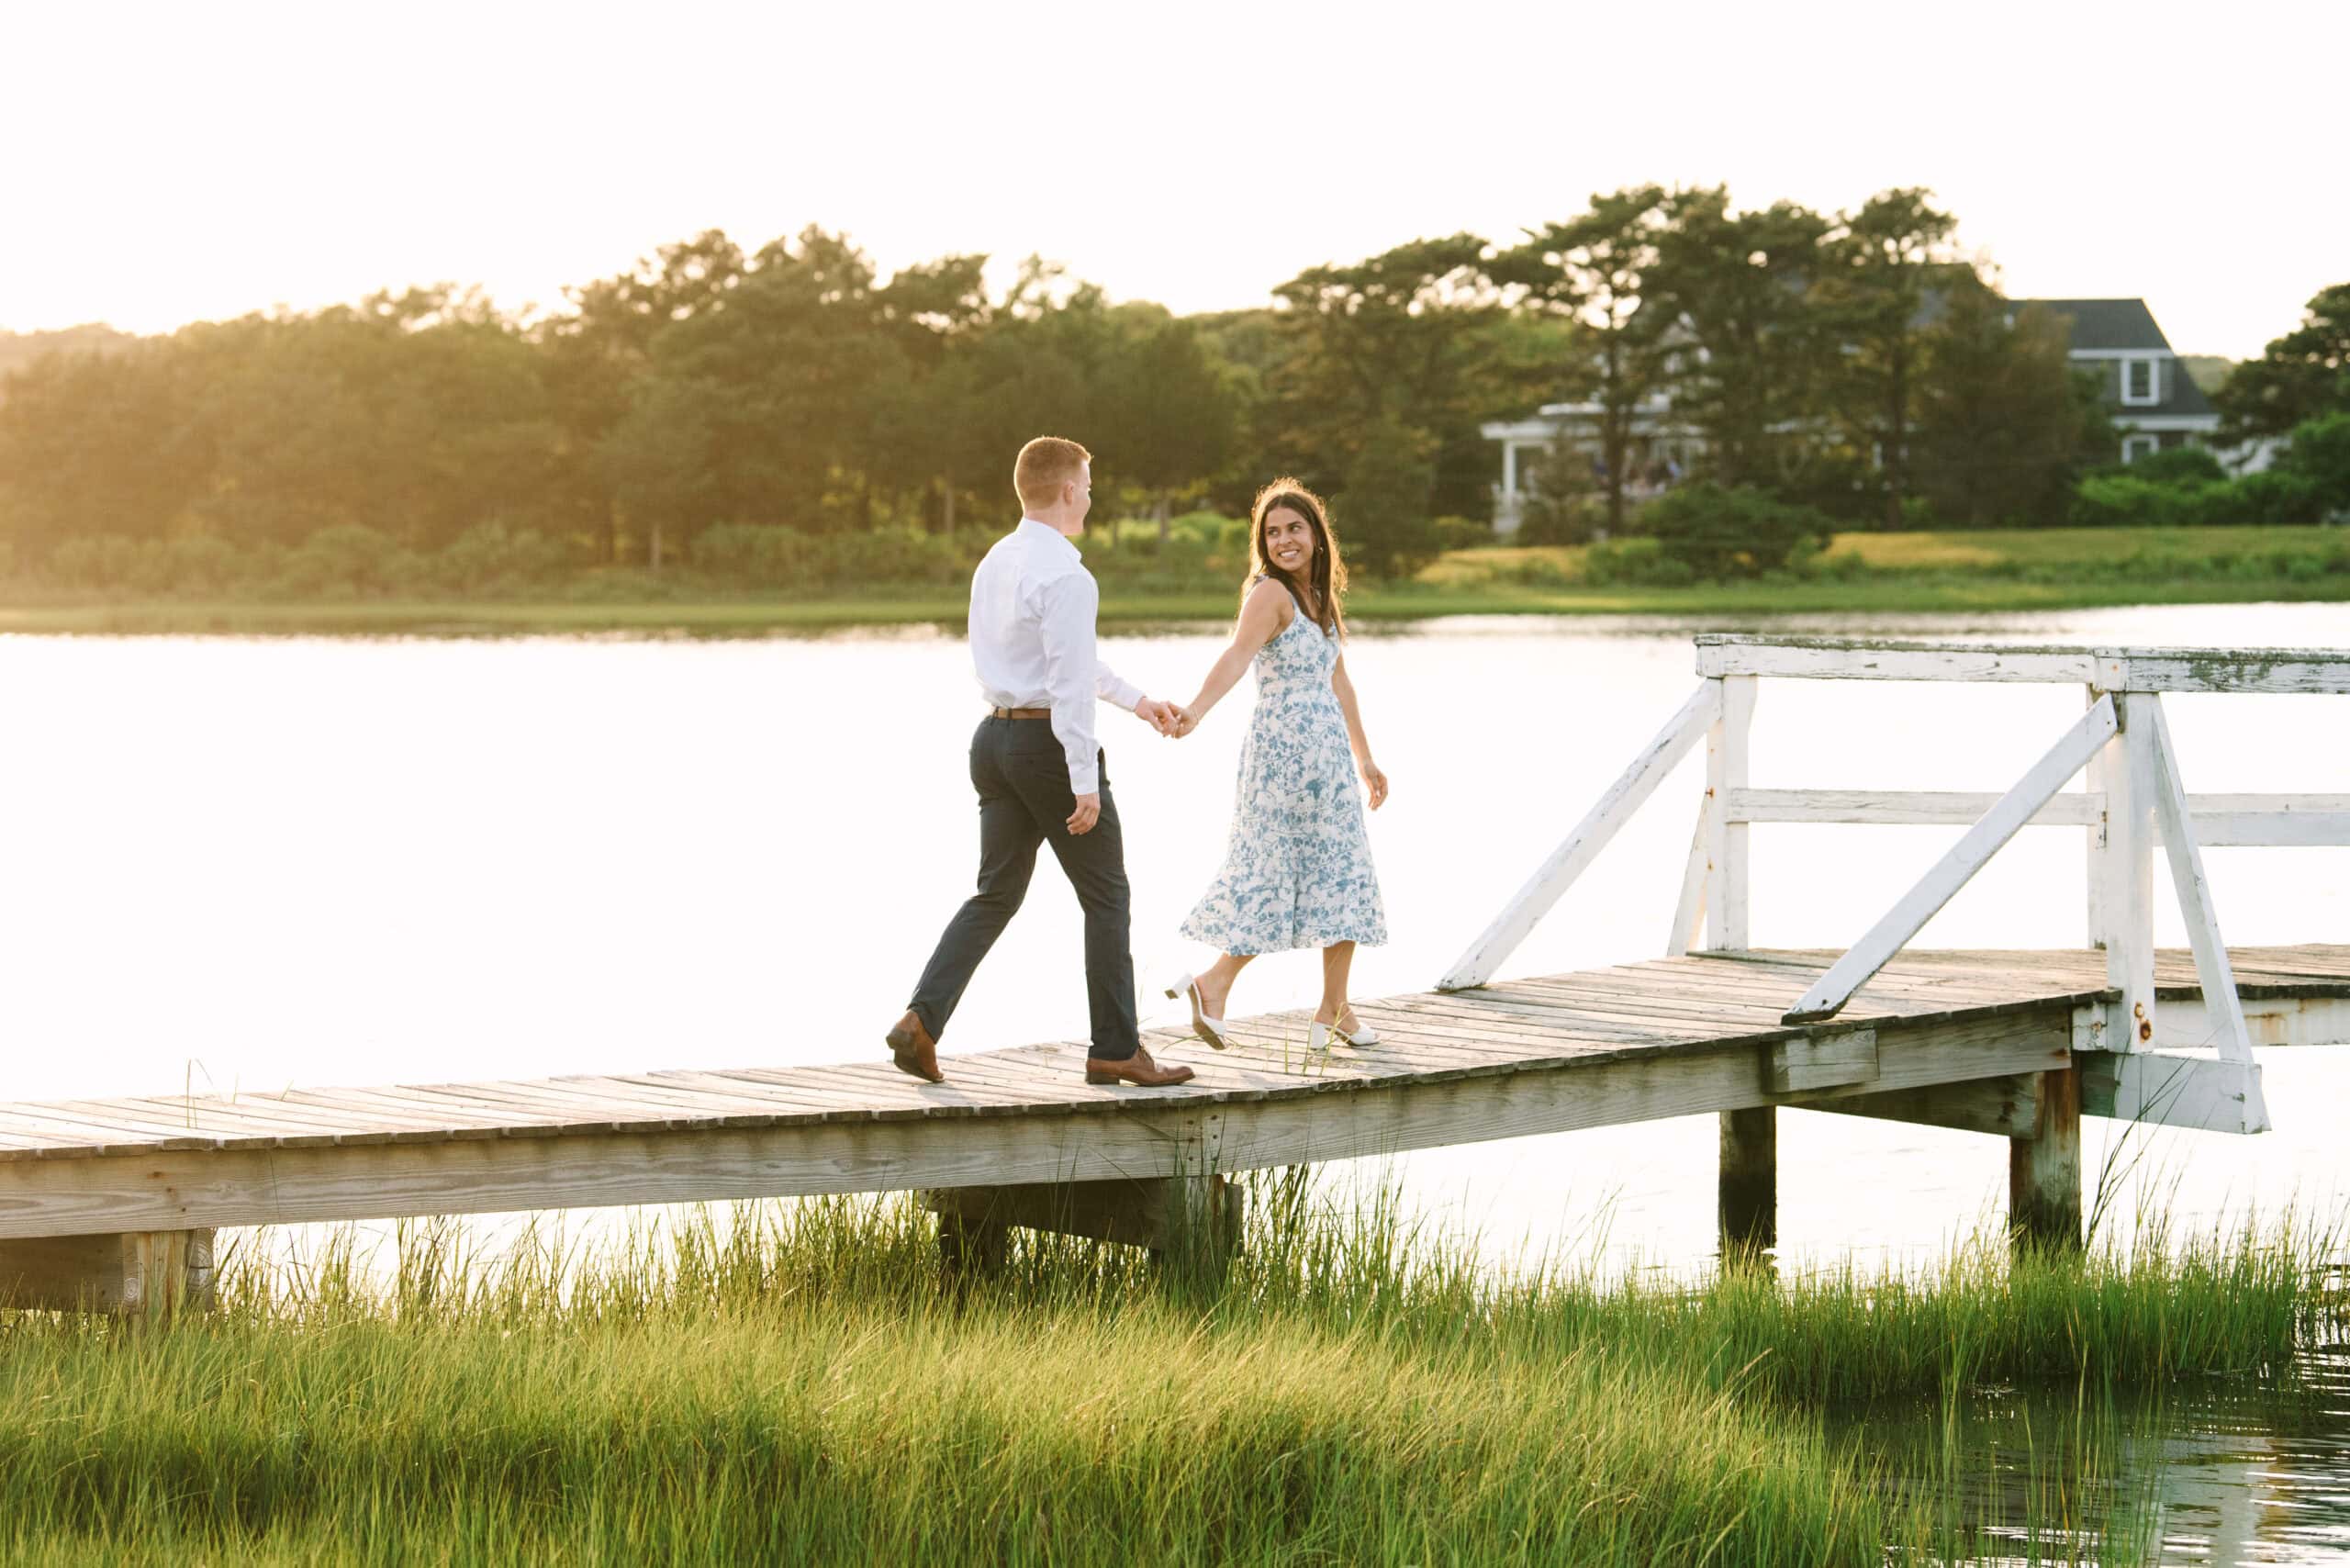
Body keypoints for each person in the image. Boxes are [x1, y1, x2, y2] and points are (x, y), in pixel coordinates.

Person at [885, 437, 1198, 1088]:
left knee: (995, 893)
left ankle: (920, 1020)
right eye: (1086, 485)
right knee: (1107, 896)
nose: (1090, 496)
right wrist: (1084, 783)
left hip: (993, 743)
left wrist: (1139, 703)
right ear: (1064, 491)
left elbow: (1069, 665)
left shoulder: (996, 561)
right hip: (1047, 749)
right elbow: (1065, 686)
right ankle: (1115, 1048)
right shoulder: (1067, 575)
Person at [1167, 478, 1390, 1053]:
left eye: (1294, 528)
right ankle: (1214, 983)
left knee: (1342, 877)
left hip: (1330, 764)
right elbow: (1238, 655)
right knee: (1274, 874)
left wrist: (1366, 759)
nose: (1285, 540)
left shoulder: (1318, 598)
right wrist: (1194, 710)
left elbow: (1339, 680)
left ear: (1317, 535)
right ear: (1261, 544)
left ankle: (1333, 1008)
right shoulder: (1270, 594)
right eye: (1272, 532)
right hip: (1283, 758)